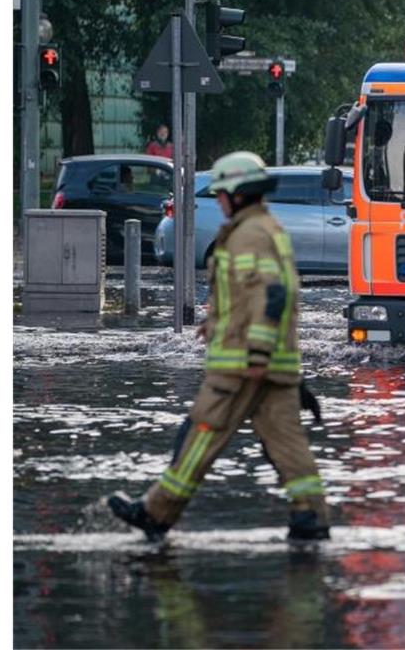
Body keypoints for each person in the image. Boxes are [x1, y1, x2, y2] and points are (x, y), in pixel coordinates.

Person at [107, 151, 331, 542]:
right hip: (269, 364)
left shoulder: (250, 234)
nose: (220, 202)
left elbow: (271, 295)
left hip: (244, 364)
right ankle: (309, 516)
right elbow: (254, 294)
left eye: (223, 194)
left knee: (201, 434)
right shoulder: (262, 228)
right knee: (286, 440)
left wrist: (257, 355)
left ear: (239, 194)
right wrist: (215, 322)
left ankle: (156, 513)